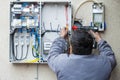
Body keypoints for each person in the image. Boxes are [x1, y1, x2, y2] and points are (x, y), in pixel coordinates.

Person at [47, 28, 116, 80]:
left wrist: (61, 37)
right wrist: (100, 40)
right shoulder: (105, 63)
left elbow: (52, 54)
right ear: (92, 47)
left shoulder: (61, 63)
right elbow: (110, 55)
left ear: (71, 48)